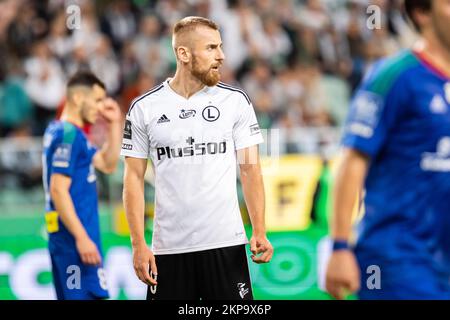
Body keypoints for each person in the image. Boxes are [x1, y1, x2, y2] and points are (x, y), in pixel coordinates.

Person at [121, 16, 273, 300]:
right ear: (183, 54)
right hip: (168, 249)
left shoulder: (236, 101)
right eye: (212, 48)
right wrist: (138, 243)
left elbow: (251, 169)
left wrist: (260, 229)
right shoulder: (144, 108)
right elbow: (132, 178)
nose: (222, 56)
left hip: (225, 244)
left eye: (221, 47)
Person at [325, 0, 450, 300]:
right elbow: (352, 159)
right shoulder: (395, 75)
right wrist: (340, 246)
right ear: (422, 13)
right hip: (399, 259)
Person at [42, 71, 122, 300]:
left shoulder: (69, 134)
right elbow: (58, 189)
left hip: (76, 241)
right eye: (97, 100)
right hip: (74, 244)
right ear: (78, 98)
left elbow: (107, 164)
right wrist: (81, 237)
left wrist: (114, 124)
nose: (100, 108)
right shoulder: (69, 135)